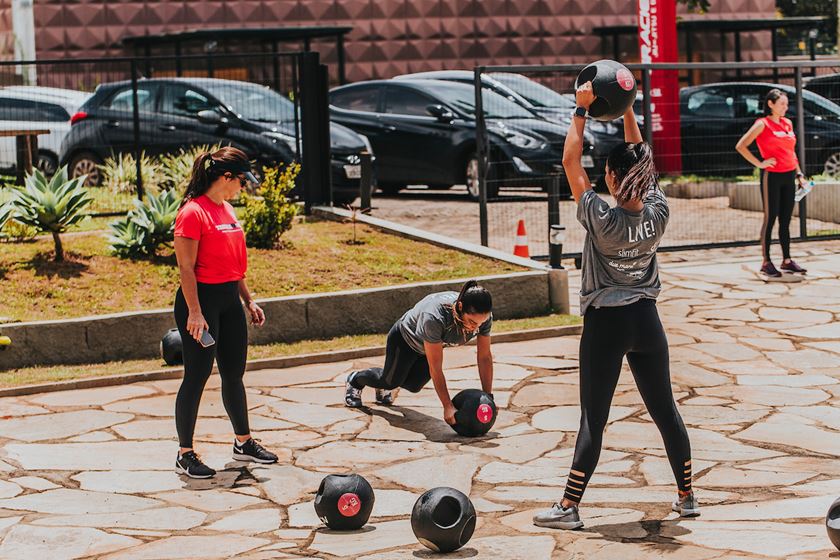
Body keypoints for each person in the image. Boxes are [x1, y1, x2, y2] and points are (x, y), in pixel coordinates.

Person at [533, 82, 697, 530]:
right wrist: (629, 106)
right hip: (648, 322)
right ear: (643, 178)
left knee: (594, 418)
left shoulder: (601, 218)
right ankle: (686, 496)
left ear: (609, 179)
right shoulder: (657, 214)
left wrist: (581, 110)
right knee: (666, 411)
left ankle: (568, 508)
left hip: (606, 325)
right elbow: (640, 157)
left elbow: (570, 162)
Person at [173, 146, 278, 479]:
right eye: (241, 180)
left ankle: (243, 442)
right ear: (226, 177)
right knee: (197, 376)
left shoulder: (227, 210)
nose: (243, 187)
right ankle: (185, 453)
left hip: (230, 301)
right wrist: (194, 312)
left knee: (234, 374)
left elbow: (234, 266)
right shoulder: (193, 212)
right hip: (201, 305)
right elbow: (186, 269)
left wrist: (248, 301)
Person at [344, 280, 494, 426]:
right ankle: (355, 380)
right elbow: (436, 368)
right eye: (472, 322)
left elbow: (484, 357)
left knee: (413, 386)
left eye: (481, 323)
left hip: (427, 348)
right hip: (404, 340)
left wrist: (488, 398)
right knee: (390, 381)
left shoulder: (482, 319)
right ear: (460, 307)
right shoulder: (434, 317)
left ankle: (389, 381)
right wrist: (447, 406)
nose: (476, 328)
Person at [736, 88, 808, 278]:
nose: (786, 107)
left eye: (786, 104)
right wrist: (759, 163)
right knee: (771, 218)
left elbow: (791, 152)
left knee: (786, 219)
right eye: (782, 104)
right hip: (772, 176)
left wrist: (799, 174)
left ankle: (787, 260)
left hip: (790, 175)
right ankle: (766, 262)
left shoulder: (787, 123)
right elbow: (741, 145)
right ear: (771, 104)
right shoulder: (762, 124)